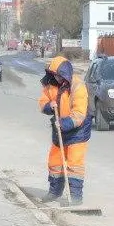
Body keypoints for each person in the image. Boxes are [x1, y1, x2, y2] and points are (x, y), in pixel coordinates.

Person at [38, 56, 91, 204]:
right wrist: (49, 106)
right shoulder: (51, 85)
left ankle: (75, 198)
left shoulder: (77, 86)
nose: (57, 78)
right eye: (54, 74)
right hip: (59, 129)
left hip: (77, 131)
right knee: (55, 162)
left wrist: (64, 124)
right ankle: (54, 192)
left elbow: (79, 114)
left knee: (74, 164)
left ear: (65, 73)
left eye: (59, 75)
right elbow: (42, 103)